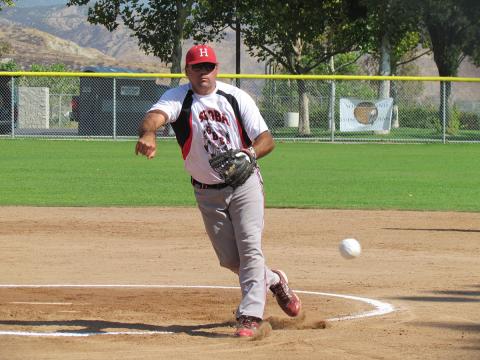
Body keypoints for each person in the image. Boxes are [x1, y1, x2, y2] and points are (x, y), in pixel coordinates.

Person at [135, 44, 301, 337]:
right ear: (187, 71)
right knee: (230, 260)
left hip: (244, 183)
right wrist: (149, 133)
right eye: (197, 67)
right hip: (206, 191)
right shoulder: (178, 98)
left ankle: (250, 316)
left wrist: (249, 154)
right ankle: (274, 280)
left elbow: (266, 139)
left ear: (216, 69)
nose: (203, 73)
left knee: (250, 249)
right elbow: (155, 117)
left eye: (208, 67)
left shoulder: (235, 97)